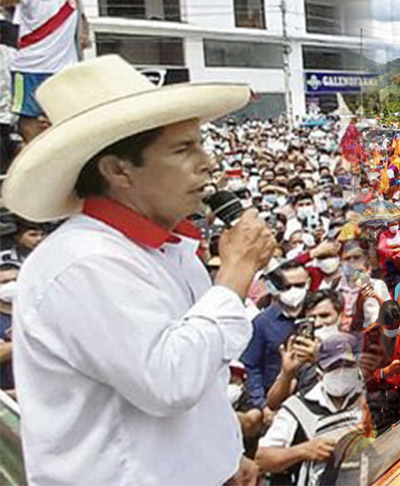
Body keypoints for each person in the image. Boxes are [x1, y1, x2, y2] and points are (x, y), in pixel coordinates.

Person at [2, 56, 270, 484]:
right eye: (184, 149)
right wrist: (234, 275)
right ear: (118, 170)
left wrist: (222, 454)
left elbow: (201, 377)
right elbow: (170, 380)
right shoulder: (82, 263)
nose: (208, 164)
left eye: (200, 144)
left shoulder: (171, 252)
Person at [256, 332, 370, 486]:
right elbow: (262, 458)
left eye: (348, 366)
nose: (341, 372)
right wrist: (304, 450)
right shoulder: (297, 408)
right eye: (334, 367)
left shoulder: (369, 403)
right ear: (319, 374)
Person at [8, 0, 88, 143]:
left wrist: (84, 32)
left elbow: (81, 15)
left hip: (64, 69)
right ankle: (36, 160)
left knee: (64, 120)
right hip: (30, 67)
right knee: (28, 120)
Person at [241, 260, 310, 410]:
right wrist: (262, 404)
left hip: (312, 399)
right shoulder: (262, 322)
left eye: (299, 285)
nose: (293, 291)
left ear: (308, 283)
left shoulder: (318, 313)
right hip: (275, 401)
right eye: (286, 287)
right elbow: (252, 366)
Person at [365, 301, 400, 435]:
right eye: (389, 328)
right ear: (380, 323)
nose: (394, 331)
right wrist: (385, 372)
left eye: (396, 327)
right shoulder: (368, 338)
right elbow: (364, 378)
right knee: (387, 436)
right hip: (383, 400)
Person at [0, 262, 19, 393]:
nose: (12, 285)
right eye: (5, 282)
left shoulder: (38, 313)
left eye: (16, 280)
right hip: (7, 396)